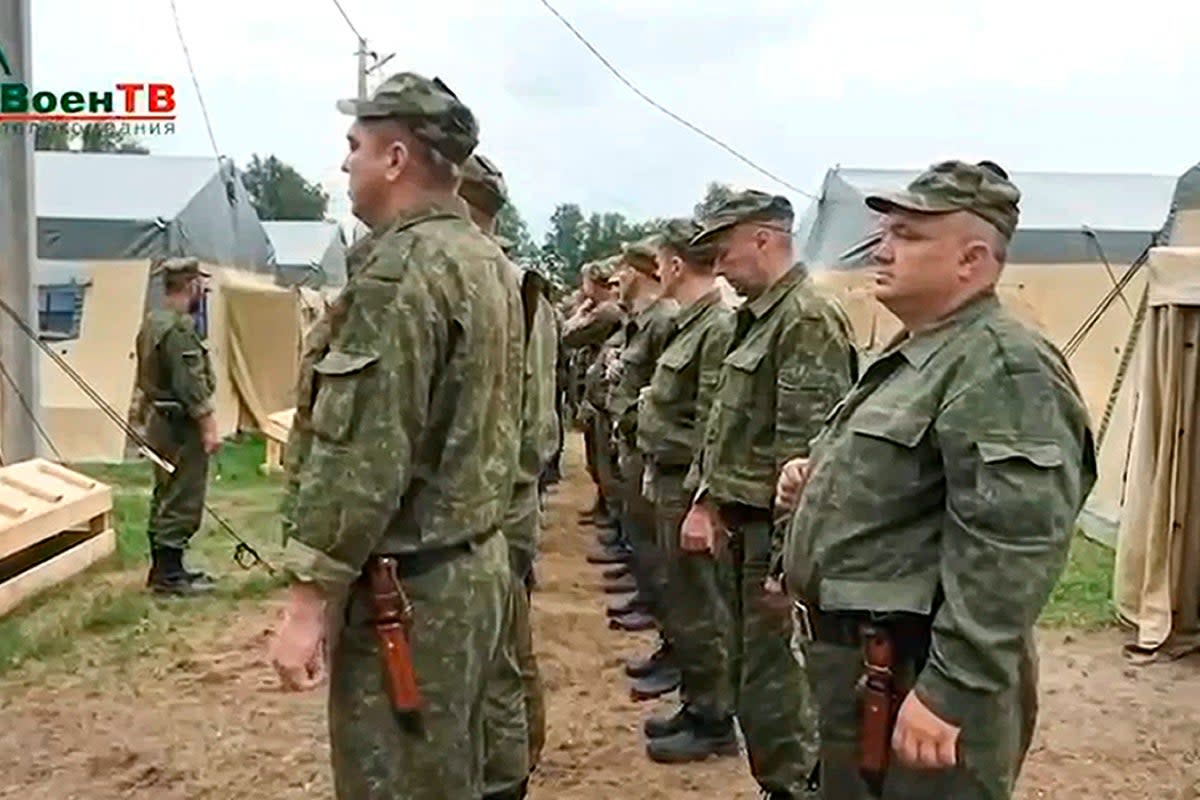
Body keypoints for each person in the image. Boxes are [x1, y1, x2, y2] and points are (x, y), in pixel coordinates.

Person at [779, 160, 1097, 800]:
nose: (882, 247)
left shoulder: (1001, 365)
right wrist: (813, 484)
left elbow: (1015, 545)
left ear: (972, 260)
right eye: (885, 230)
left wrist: (950, 691)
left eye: (909, 234)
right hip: (865, 671)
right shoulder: (919, 353)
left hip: (915, 676)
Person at [267, 72, 525, 800]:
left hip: (409, 597)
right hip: (472, 566)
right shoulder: (485, 262)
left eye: (355, 146)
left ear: (397, 157)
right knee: (454, 771)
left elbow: (365, 452)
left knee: (400, 780)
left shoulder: (405, 271)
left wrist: (309, 599)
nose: (345, 162)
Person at [680, 190, 857, 799]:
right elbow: (729, 428)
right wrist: (710, 499)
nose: (718, 264)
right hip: (745, 530)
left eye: (724, 249)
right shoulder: (757, 319)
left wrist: (786, 564)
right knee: (754, 684)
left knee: (776, 693)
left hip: (771, 543)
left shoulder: (805, 319)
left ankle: (794, 789)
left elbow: (805, 459)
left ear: (763, 239)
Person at [459, 151, 551, 800]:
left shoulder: (508, 287)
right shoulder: (499, 281)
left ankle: (504, 775)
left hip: (495, 504)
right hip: (494, 499)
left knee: (498, 658)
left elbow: (528, 423)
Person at [634, 217, 737, 762]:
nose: (655, 272)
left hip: (689, 483)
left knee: (701, 605)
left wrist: (705, 499)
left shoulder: (716, 327)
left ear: (675, 264)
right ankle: (699, 703)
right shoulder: (692, 324)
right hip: (670, 478)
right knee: (683, 598)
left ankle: (714, 717)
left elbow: (715, 423)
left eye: (658, 262)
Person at [605, 239, 679, 644]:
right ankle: (649, 601)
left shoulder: (663, 319)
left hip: (654, 446)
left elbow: (665, 389)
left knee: (663, 553)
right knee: (643, 535)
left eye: (623, 270)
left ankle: (664, 626)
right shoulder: (644, 319)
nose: (618, 279)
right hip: (635, 438)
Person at [134, 256, 221, 596]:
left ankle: (165, 567)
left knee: (164, 492)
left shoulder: (152, 323)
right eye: (201, 284)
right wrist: (208, 425)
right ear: (191, 285)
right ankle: (170, 575)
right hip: (179, 425)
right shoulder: (179, 329)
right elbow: (190, 384)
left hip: (158, 419)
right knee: (183, 495)